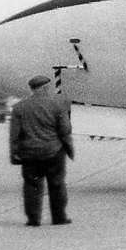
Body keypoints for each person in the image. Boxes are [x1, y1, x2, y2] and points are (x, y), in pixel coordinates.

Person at [9, 75, 75, 226]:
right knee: (57, 185)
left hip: (29, 154)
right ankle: (59, 218)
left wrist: (13, 153)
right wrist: (69, 149)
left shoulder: (19, 107)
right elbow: (65, 130)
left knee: (32, 186)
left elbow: (14, 134)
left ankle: (33, 219)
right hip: (54, 152)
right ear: (45, 88)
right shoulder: (57, 105)